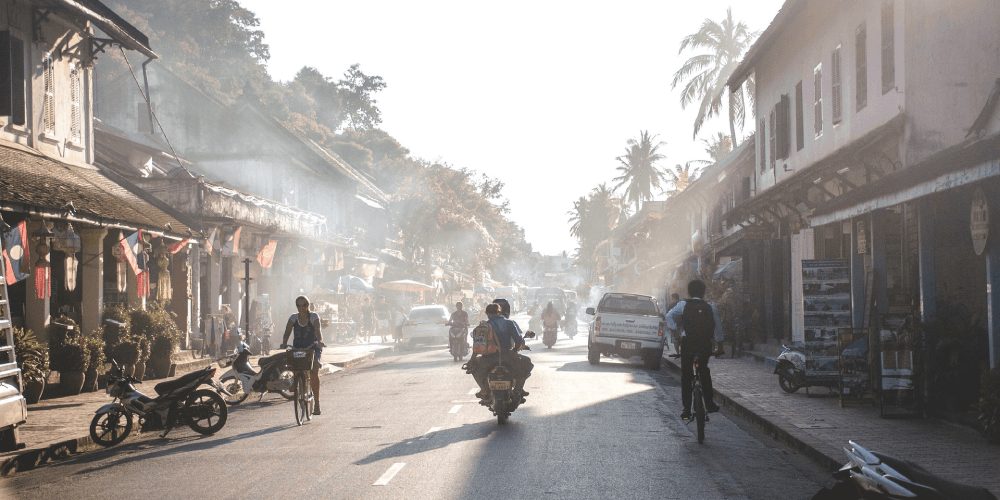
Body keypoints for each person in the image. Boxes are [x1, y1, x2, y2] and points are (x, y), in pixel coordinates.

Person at [665, 280, 724, 420]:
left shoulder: (683, 304)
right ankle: (709, 404)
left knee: (686, 375)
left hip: (688, 344)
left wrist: (675, 332)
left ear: (690, 292)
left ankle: (686, 409)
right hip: (704, 345)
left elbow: (669, 316)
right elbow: (718, 328)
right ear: (703, 292)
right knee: (704, 370)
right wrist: (720, 346)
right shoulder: (710, 306)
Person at [466, 301, 533, 403]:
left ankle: (484, 390)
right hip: (508, 356)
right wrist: (515, 351)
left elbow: (478, 346)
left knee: (474, 368)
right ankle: (518, 390)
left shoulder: (484, 326)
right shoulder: (509, 323)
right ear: (499, 312)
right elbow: (519, 341)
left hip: (488, 359)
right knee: (527, 364)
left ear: (487, 314)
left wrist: (472, 360)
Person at [280, 295, 324, 415]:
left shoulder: (314, 316)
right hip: (297, 347)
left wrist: (320, 341)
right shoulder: (293, 318)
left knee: (314, 371)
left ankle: (317, 402)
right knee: (293, 367)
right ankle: (296, 383)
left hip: (312, 348)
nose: (301, 308)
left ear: (308, 305)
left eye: (304, 305)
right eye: (299, 305)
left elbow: (318, 330)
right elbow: (287, 331)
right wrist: (284, 343)